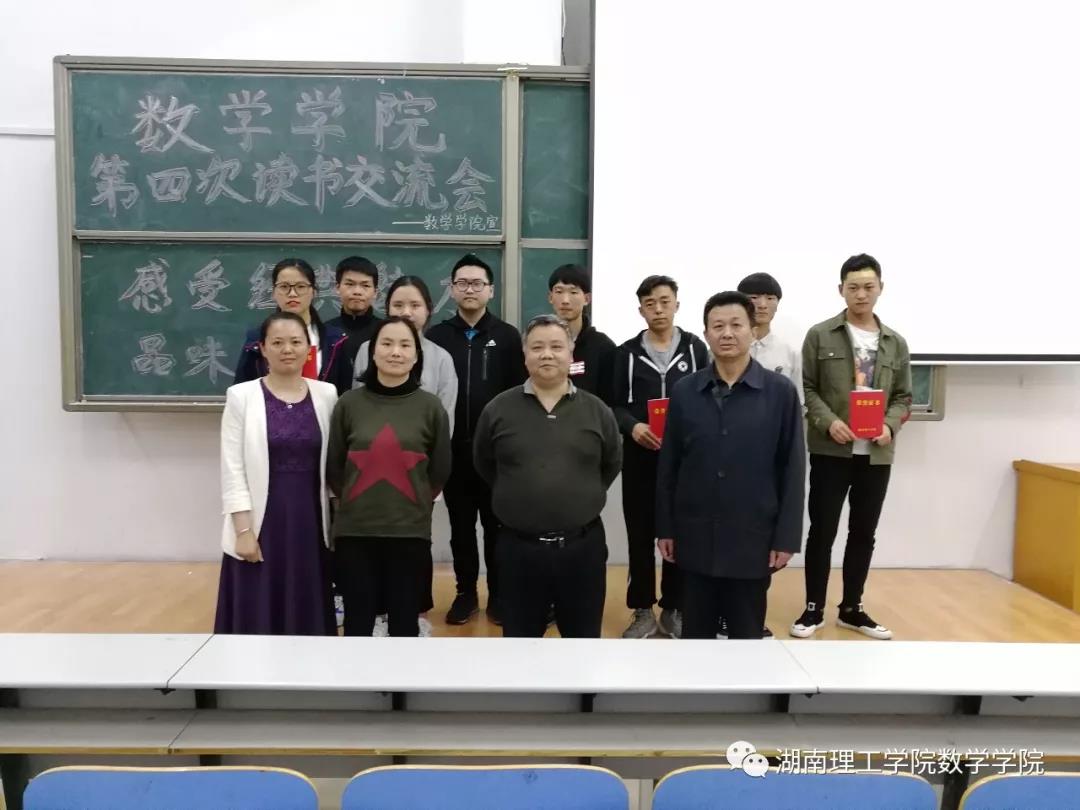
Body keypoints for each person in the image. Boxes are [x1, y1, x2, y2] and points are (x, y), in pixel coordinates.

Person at [656, 292, 805, 640]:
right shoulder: (685, 391)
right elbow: (669, 466)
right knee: (696, 637)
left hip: (753, 539)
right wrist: (666, 528)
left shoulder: (780, 392)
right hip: (695, 537)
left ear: (753, 330)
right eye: (717, 326)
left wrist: (786, 537)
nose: (727, 333)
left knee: (746, 636)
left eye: (736, 325)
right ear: (705, 334)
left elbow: (793, 469)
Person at [473, 315, 622, 638]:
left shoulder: (597, 410)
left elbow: (610, 464)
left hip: (582, 549)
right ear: (524, 354)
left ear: (571, 353)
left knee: (583, 643)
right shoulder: (498, 409)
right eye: (537, 347)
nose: (547, 354)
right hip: (518, 549)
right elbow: (485, 464)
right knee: (521, 644)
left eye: (556, 346)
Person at [791, 254, 912, 640]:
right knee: (822, 530)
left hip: (876, 454)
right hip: (832, 450)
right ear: (841, 289)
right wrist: (829, 422)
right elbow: (808, 388)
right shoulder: (820, 335)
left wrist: (890, 425)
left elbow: (904, 397)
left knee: (863, 532)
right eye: (853, 287)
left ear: (880, 289)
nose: (861, 294)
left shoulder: (895, 342)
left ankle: (852, 608)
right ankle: (813, 608)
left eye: (868, 287)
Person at [215, 311, 339, 635]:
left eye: (296, 342)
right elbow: (232, 468)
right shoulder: (241, 396)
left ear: (308, 349)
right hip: (261, 521)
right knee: (258, 605)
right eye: (278, 342)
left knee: (307, 601)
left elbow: (334, 464)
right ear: (263, 348)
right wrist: (243, 531)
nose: (287, 349)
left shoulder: (327, 394)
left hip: (310, 520)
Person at [327, 317, 452, 637]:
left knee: (404, 623)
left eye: (405, 345)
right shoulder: (348, 403)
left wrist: (414, 502)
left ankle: (401, 674)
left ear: (416, 355)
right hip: (355, 532)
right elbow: (335, 467)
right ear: (372, 352)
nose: (395, 352)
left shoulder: (431, 407)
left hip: (409, 532)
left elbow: (440, 469)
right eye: (387, 343)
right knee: (357, 623)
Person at [353, 276, 458, 637]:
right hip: (368, 476)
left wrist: (428, 481)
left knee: (413, 550)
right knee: (369, 553)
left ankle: (414, 614)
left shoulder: (441, 358)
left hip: (417, 475)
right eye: (398, 305)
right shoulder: (368, 349)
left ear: (428, 310)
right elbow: (355, 415)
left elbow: (445, 422)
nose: (407, 312)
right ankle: (375, 616)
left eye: (415, 305)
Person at [427, 254, 526, 626]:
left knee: (498, 528)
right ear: (452, 289)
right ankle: (465, 593)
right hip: (453, 453)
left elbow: (519, 395)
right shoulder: (436, 337)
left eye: (477, 283)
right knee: (461, 529)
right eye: (463, 283)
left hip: (496, 455)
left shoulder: (508, 336)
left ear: (491, 290)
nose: (470, 289)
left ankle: (500, 595)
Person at [611, 275, 709, 640]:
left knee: (679, 536)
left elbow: (709, 398)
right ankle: (641, 610)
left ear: (677, 305)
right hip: (640, 460)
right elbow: (613, 405)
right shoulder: (626, 353)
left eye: (665, 302)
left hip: (685, 463)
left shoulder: (697, 350)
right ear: (641, 310)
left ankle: (674, 607)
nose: (658, 309)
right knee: (640, 537)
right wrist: (633, 427)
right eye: (650, 303)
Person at [234, 258, 351, 395]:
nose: (292, 294)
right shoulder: (257, 340)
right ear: (274, 292)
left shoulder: (335, 340)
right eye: (284, 287)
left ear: (313, 292)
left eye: (300, 286)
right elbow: (241, 389)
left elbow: (345, 393)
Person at [547, 263, 616, 402]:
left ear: (587, 299)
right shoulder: (540, 343)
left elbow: (610, 400)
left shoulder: (603, 347)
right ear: (550, 297)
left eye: (573, 292)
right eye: (559, 292)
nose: (565, 300)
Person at [326, 256, 382, 372]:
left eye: (365, 285)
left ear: (375, 292)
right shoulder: (325, 331)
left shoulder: (384, 332)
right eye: (350, 284)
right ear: (337, 288)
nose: (357, 291)